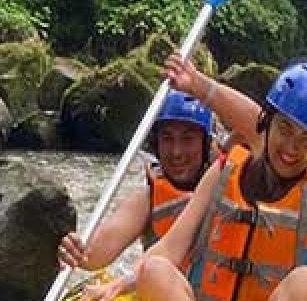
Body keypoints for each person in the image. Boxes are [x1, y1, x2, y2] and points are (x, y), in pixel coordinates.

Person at [81, 60, 307, 301]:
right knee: (155, 270)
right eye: (285, 130)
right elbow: (170, 248)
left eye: (306, 142)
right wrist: (121, 285)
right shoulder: (224, 171)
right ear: (266, 123)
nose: (291, 149)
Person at [57, 89, 216, 271]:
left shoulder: (231, 184)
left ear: (206, 145)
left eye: (188, 139)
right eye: (167, 138)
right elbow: (95, 253)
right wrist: (75, 249)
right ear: (156, 144)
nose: (176, 152)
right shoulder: (146, 200)